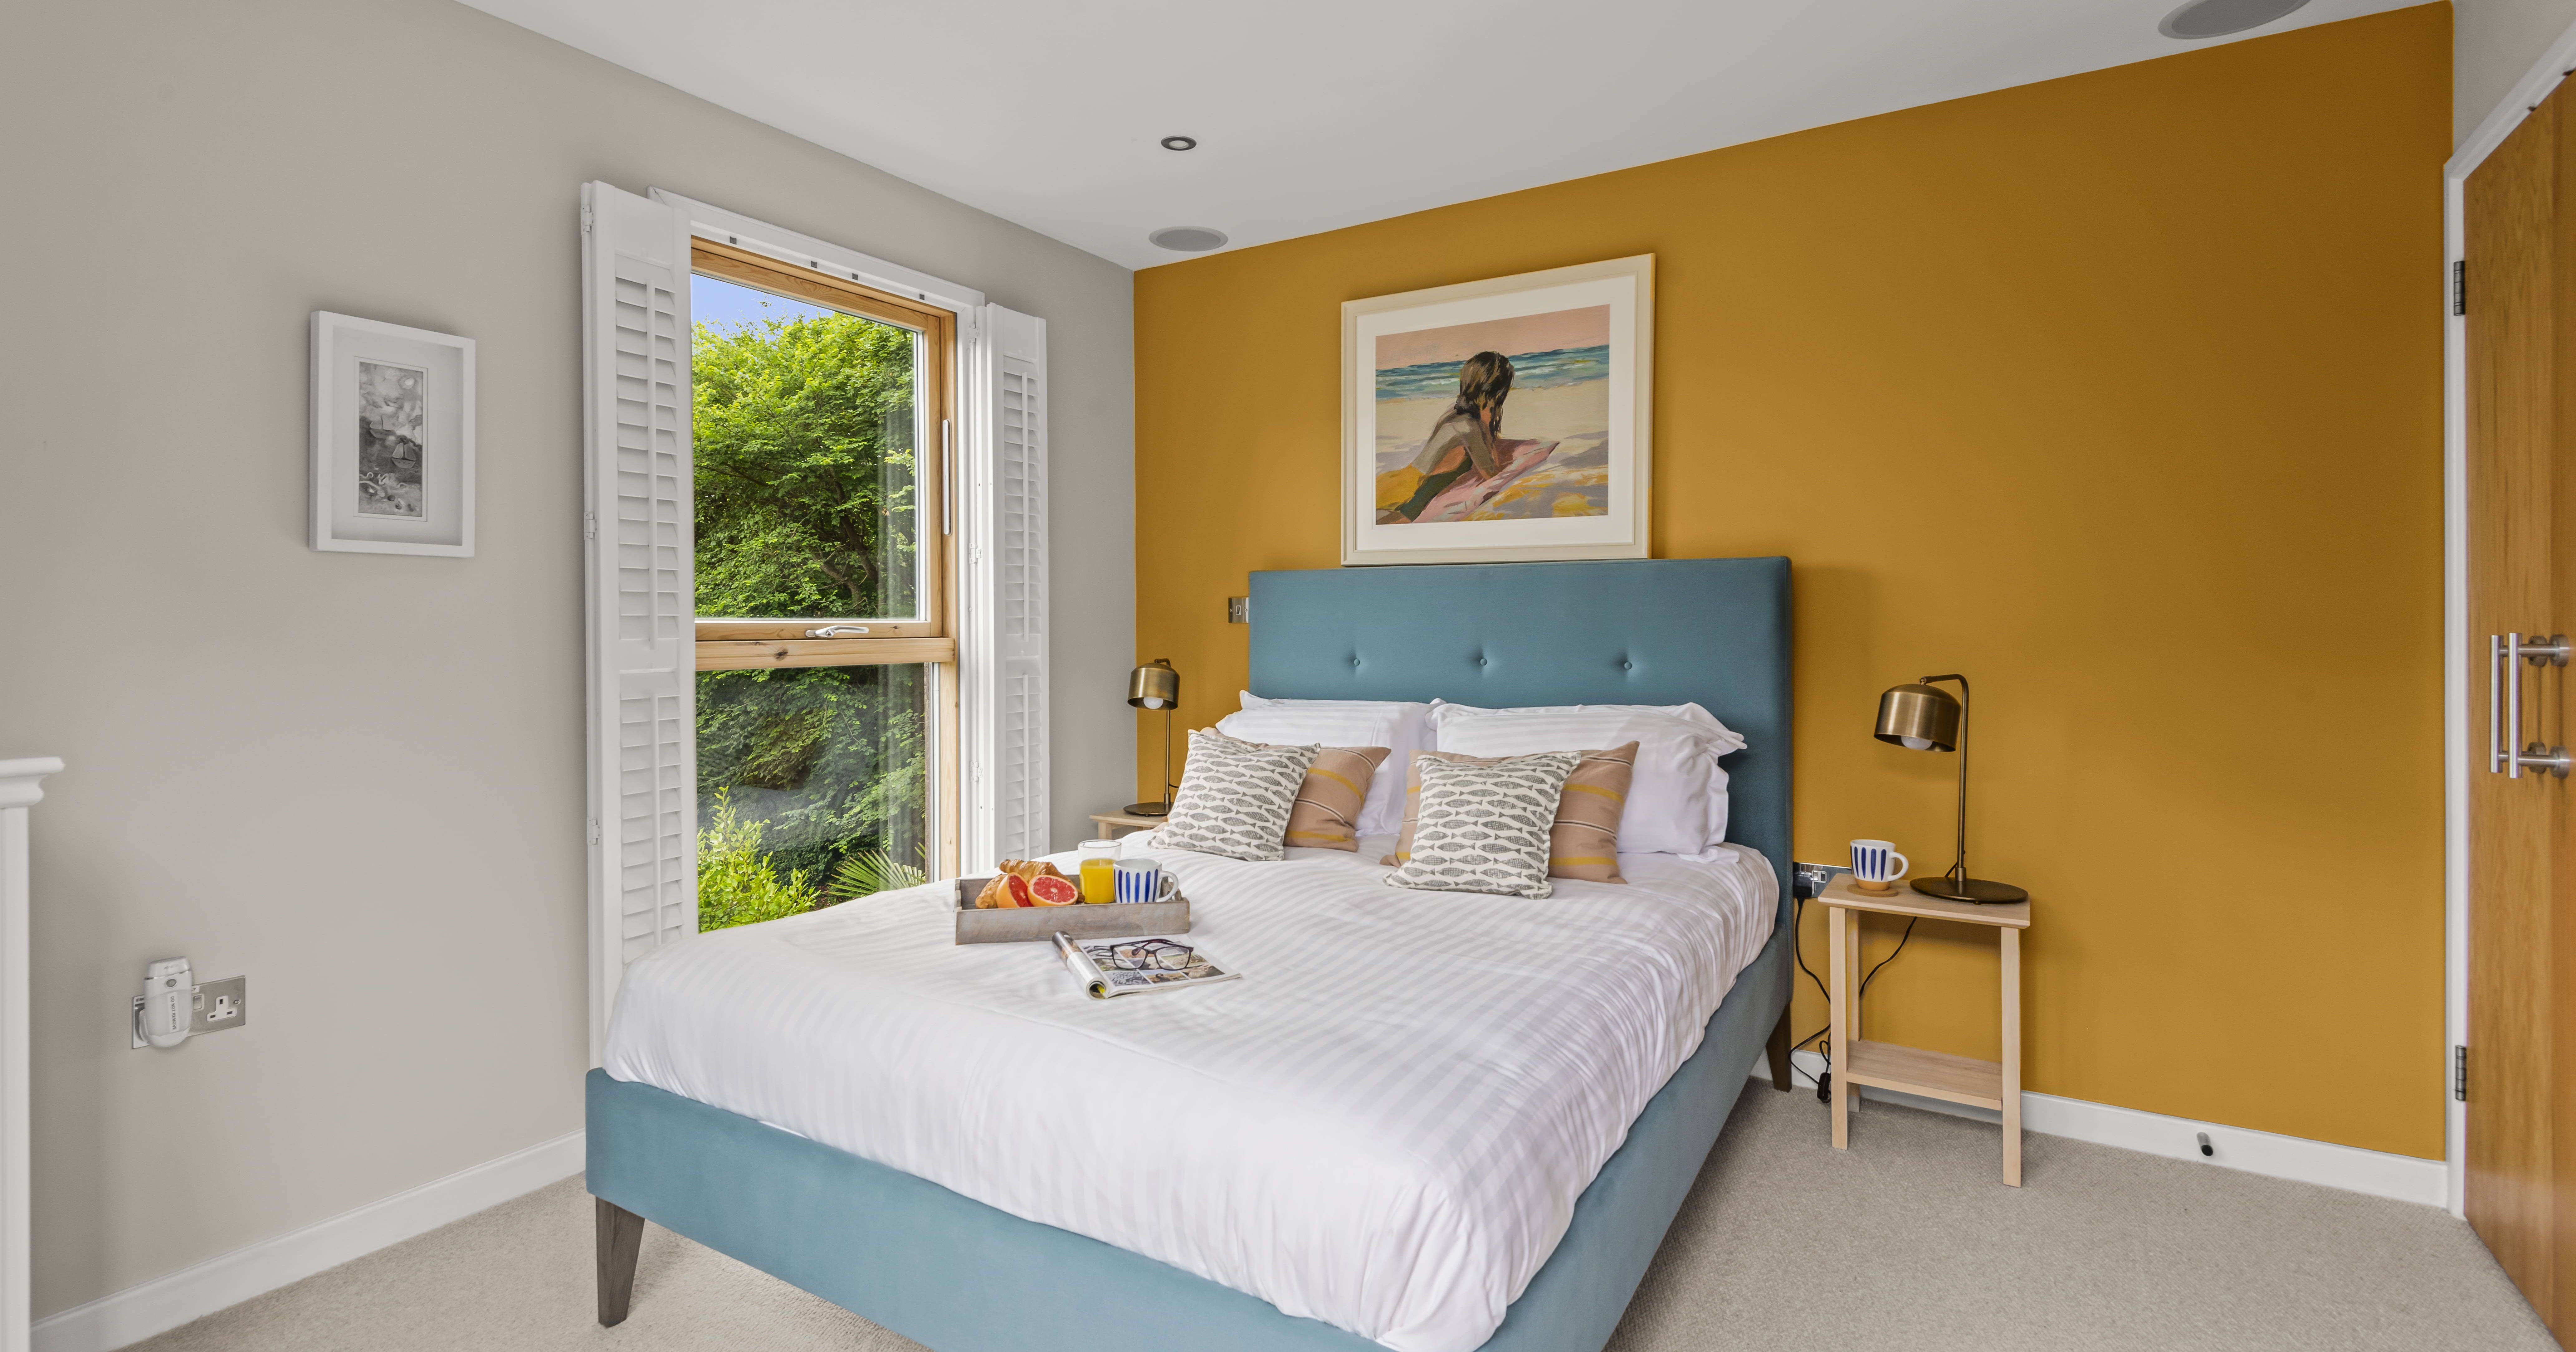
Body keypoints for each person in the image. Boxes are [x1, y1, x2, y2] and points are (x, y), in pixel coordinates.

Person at [1382, 350, 1513, 523]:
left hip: (1403, 480)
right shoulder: (1468, 426)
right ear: (1497, 391)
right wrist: (1487, 420)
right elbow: (1490, 472)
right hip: (1412, 490)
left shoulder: (1455, 413)